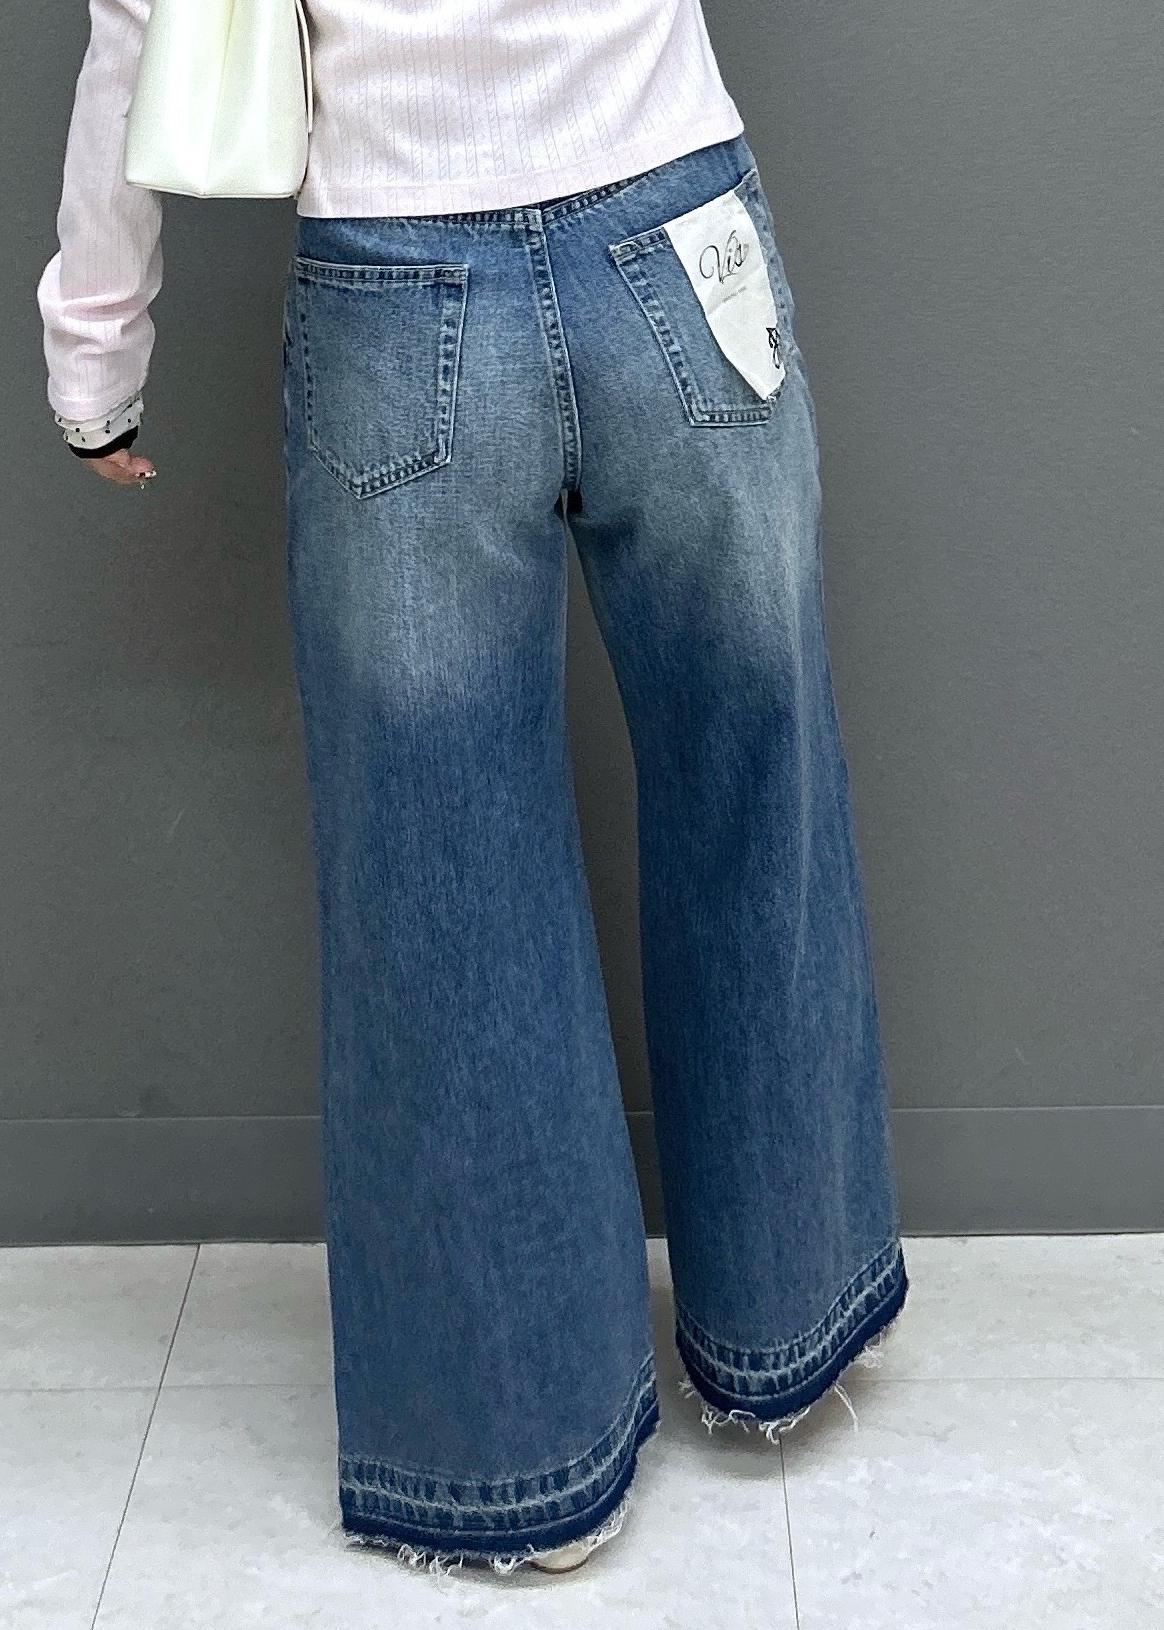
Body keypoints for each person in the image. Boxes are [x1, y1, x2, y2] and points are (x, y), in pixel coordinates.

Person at [38, 0, 909, 1575]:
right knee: (753, 784)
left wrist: (95, 343)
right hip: (675, 217)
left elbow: (141, 25)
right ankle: (791, 1327)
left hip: (398, 269)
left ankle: (525, 1451)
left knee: (445, 879)